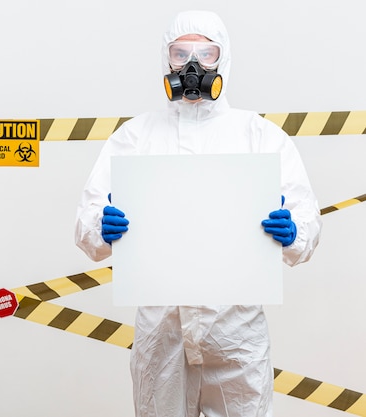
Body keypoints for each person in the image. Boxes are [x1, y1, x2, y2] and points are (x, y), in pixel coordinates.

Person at [74, 10, 322, 417]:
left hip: (235, 326)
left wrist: (293, 231)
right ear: (165, 60)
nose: (192, 66)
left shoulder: (258, 135)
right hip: (161, 325)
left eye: (206, 54)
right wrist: (102, 226)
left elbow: (307, 227)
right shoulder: (136, 136)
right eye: (180, 53)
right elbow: (87, 225)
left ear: (224, 59)